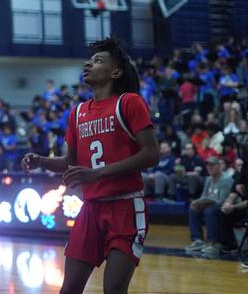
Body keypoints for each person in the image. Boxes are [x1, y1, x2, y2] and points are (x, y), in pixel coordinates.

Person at [22, 37, 159, 294]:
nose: (88, 64)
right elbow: (70, 163)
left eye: (97, 61)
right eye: (89, 60)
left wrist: (97, 173)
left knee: (114, 290)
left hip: (126, 206)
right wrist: (41, 160)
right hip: (91, 209)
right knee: (69, 289)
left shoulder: (129, 102)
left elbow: (151, 155)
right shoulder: (78, 112)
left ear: (115, 72)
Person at [185, 156, 234, 257]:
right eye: (207, 165)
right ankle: (198, 240)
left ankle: (214, 243)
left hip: (225, 208)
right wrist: (197, 203)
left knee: (209, 211)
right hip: (211, 206)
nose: (209, 168)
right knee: (193, 209)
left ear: (219, 166)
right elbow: (204, 196)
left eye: (212, 165)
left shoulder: (226, 179)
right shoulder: (208, 179)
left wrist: (205, 203)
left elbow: (222, 201)